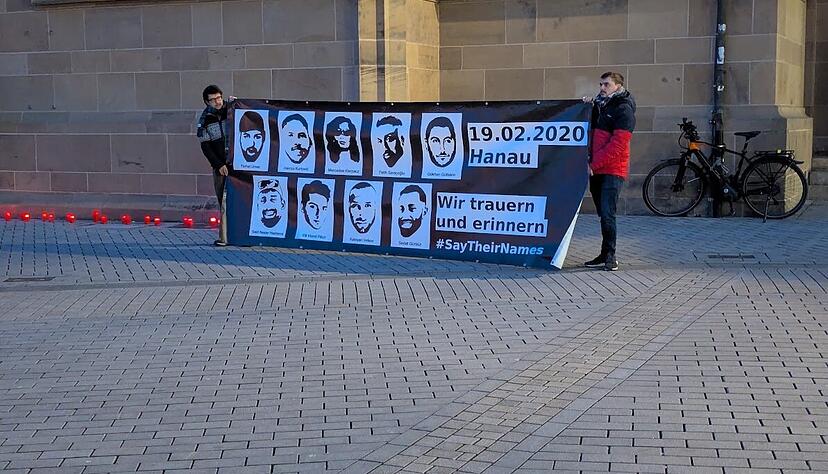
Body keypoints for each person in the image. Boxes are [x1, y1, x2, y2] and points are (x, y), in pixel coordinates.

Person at [582, 71, 636, 271]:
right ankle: (604, 253)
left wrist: (593, 165)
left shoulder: (624, 109)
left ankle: (611, 255)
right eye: (600, 85)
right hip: (597, 168)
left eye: (606, 85)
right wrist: (584, 106)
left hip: (612, 169)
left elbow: (618, 146)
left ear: (618, 86)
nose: (602, 88)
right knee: (602, 212)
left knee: (607, 212)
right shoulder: (598, 105)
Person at [196, 84, 233, 246]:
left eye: (219, 97)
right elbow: (206, 146)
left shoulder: (232, 111)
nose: (217, 102)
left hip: (236, 163)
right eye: (213, 100)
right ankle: (224, 237)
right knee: (223, 201)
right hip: (220, 166)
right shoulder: (205, 120)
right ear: (206, 102)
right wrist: (218, 164)